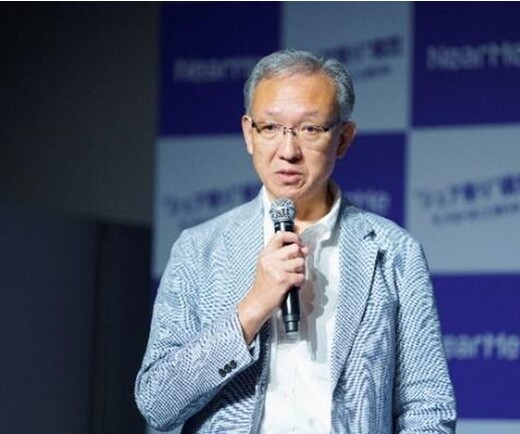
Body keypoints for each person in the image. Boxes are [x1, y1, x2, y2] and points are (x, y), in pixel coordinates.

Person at [135, 48, 456, 433]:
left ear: (343, 139)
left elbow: (428, 407)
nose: (288, 151)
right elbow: (157, 403)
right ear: (248, 134)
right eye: (270, 128)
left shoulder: (394, 251)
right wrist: (251, 310)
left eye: (310, 129)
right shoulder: (199, 249)